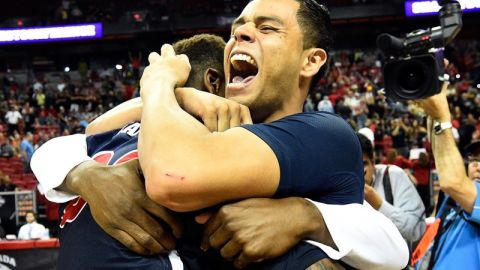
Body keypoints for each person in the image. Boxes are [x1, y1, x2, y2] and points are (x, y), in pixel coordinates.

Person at [32, 2, 407, 269]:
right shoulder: (193, 128)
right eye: (238, 28)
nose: (240, 33)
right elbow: (72, 141)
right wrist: (88, 177)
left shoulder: (322, 133)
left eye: (267, 27)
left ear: (311, 60)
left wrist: (305, 216)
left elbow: (172, 176)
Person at [414, 84, 480, 269]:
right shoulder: (456, 200)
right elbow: (441, 154)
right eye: (474, 158)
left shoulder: (461, 191)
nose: (476, 164)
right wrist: (431, 91)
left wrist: (443, 117)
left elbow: (452, 181)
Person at [358, 133, 426, 244]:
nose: (359, 172)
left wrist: (380, 205)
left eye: (363, 164)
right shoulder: (337, 190)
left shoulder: (392, 175)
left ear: (373, 162)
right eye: (353, 167)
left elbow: (416, 229)